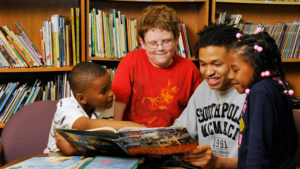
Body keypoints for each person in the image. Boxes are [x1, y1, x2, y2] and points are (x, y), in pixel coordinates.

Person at [111, 4, 202, 127]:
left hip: (172, 136)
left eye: (166, 41)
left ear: (176, 39)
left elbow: (198, 109)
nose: (160, 48)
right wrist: (116, 131)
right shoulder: (130, 61)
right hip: (134, 135)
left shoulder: (190, 69)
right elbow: (120, 101)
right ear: (142, 42)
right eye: (153, 43)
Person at [173, 23, 246, 169]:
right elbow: (181, 131)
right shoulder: (203, 88)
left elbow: (266, 161)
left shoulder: (254, 94)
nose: (208, 72)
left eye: (217, 64)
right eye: (203, 64)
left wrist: (219, 163)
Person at [227, 31, 298, 168]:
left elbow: (257, 148)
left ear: (255, 64)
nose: (230, 76)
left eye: (235, 70)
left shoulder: (260, 92)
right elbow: (292, 138)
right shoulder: (277, 84)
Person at [44, 62, 145, 154]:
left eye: (110, 86)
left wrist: (73, 150)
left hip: (88, 156)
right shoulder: (64, 107)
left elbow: (105, 142)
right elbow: (85, 125)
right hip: (55, 158)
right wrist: (142, 129)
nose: (111, 93)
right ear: (82, 98)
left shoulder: (105, 105)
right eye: (103, 91)